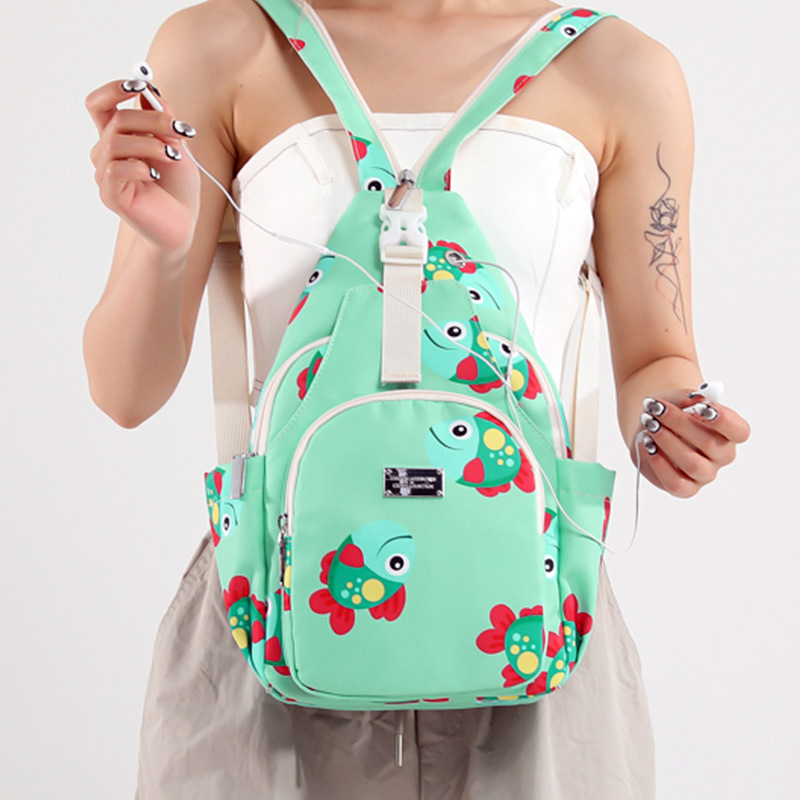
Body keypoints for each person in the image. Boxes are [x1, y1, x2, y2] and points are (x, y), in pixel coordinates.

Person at [84, 1, 750, 798]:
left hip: (531, 609)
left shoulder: (622, 70)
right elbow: (123, 394)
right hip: (272, 601)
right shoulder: (219, 45)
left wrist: (672, 426)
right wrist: (163, 251)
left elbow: (658, 358)